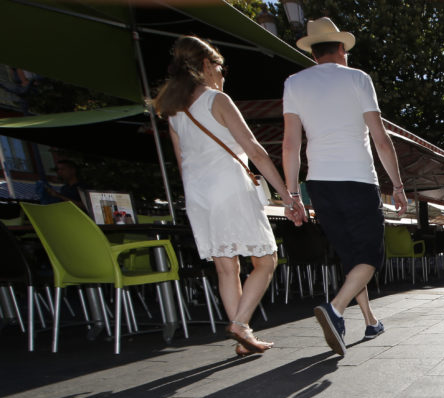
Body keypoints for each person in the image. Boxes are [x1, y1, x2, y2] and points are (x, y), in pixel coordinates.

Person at [152, 35, 304, 356]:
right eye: (220, 68)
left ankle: (243, 339)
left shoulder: (173, 112)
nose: (223, 75)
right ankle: (241, 324)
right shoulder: (217, 100)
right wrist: (289, 195)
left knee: (226, 268)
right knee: (266, 259)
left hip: (198, 196)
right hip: (230, 188)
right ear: (206, 66)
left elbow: (182, 165)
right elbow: (256, 152)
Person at [282, 17, 408, 358]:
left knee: (351, 257)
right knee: (371, 256)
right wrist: (397, 184)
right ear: (341, 49)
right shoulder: (357, 79)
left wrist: (292, 194)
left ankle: (370, 320)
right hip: (357, 179)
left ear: (313, 52)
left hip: (319, 184)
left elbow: (290, 145)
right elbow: (380, 140)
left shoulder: (294, 83)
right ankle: (335, 309)